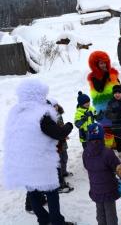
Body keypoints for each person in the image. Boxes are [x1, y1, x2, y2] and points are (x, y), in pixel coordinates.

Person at [2, 79, 75, 225]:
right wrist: (68, 126)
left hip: (21, 160)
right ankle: (56, 222)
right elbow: (58, 134)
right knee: (52, 192)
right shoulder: (41, 113)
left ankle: (43, 219)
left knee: (33, 192)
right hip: (40, 160)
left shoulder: (15, 113)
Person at [83, 123, 120, 225]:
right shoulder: (107, 152)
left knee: (100, 211)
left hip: (95, 188)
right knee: (110, 212)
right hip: (108, 188)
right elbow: (117, 168)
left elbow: (86, 166)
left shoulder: (86, 152)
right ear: (102, 136)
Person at [87, 51, 121, 148]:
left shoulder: (113, 73)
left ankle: (115, 143)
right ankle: (107, 147)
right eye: (101, 63)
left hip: (115, 104)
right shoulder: (94, 76)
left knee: (115, 125)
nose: (103, 65)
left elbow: (119, 87)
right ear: (96, 64)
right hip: (103, 107)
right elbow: (100, 88)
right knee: (107, 127)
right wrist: (106, 75)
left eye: (104, 62)